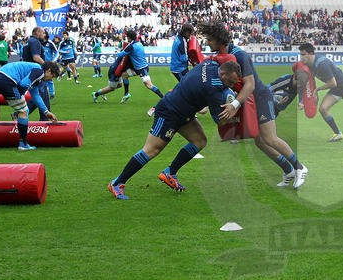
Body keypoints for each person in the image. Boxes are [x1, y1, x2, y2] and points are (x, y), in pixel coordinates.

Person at [107, 58, 242, 200]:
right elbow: (220, 121)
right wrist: (237, 104)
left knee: (199, 141)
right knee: (151, 150)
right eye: (231, 82)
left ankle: (170, 173)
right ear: (222, 74)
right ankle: (117, 183)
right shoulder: (213, 89)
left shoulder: (210, 64)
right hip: (169, 112)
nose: (232, 85)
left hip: (184, 112)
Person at [200, 22, 308, 188]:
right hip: (248, 101)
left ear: (219, 40)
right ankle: (288, 170)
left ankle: (299, 167)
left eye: (210, 40)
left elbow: (250, 85)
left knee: (270, 138)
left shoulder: (239, 55)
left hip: (261, 97)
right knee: (260, 142)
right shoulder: (222, 56)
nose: (208, 43)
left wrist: (234, 104)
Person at [92, 30, 164, 104]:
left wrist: (117, 51)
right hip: (139, 67)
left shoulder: (131, 46)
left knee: (149, 85)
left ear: (129, 37)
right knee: (124, 75)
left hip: (141, 69)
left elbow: (120, 55)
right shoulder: (139, 43)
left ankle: (163, 98)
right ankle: (126, 94)